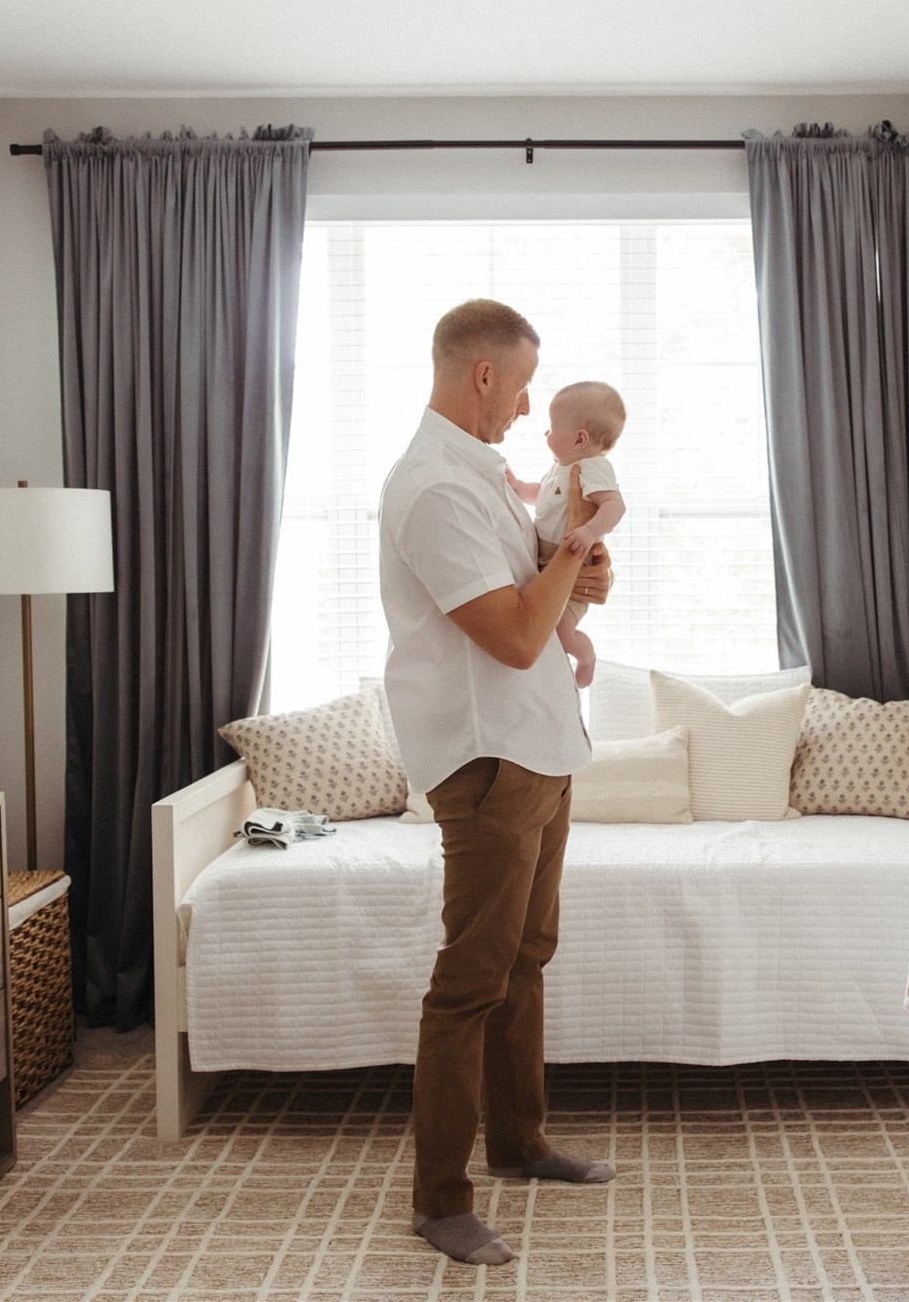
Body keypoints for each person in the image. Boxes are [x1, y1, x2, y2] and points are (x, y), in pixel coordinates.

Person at [377, 298, 618, 1267]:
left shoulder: (480, 476)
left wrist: (579, 572)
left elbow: (539, 597)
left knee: (527, 954)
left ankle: (518, 1142)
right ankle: (440, 1199)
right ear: (484, 374)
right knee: (470, 980)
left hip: (541, 745)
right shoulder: (432, 489)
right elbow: (517, 635)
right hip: (486, 759)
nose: (526, 410)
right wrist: (563, 564)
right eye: (520, 387)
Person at [505, 380, 628, 688]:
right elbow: (544, 494)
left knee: (562, 631)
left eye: (552, 427)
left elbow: (615, 506)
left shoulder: (593, 467)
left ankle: (586, 657)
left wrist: (589, 531)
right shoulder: (560, 466)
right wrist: (519, 487)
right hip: (549, 558)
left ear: (579, 438)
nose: (546, 434)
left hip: (577, 560)